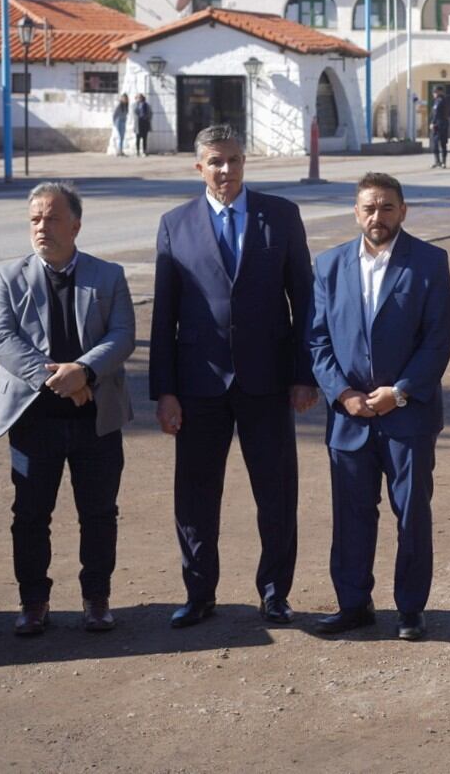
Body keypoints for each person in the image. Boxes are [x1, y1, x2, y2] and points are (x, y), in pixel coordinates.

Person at [150, 124, 318, 629]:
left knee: (277, 492)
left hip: (267, 382)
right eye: (216, 162)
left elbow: (304, 300)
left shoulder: (281, 216)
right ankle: (199, 593)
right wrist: (165, 391)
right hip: (199, 385)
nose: (226, 170)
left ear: (245, 163)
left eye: (235, 160)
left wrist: (304, 374)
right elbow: (163, 316)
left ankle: (275, 593)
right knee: (196, 495)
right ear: (198, 166)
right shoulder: (174, 224)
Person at [307, 173, 450, 642]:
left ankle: (410, 609)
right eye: (369, 208)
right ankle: (354, 604)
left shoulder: (430, 263)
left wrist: (401, 391)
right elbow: (317, 339)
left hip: (407, 416)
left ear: (403, 211)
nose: (378, 217)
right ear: (356, 213)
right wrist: (342, 394)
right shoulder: (329, 265)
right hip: (349, 417)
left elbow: (437, 340)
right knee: (351, 514)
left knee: (411, 514)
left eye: (387, 208)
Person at [0, 183, 134, 635]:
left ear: (75, 225)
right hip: (33, 420)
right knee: (30, 515)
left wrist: (84, 373)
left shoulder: (108, 276)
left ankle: (96, 599)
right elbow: (1, 339)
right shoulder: (8, 276)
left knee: (100, 513)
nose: (41, 228)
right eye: (34, 219)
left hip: (96, 418)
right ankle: (33, 602)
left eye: (50, 218)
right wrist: (60, 381)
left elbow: (123, 335)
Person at [428, 87, 450, 169]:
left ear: (440, 92)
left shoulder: (441, 101)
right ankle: (437, 161)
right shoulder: (436, 101)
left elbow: (437, 113)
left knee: (443, 144)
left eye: (435, 92)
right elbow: (433, 113)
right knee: (435, 144)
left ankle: (443, 162)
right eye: (434, 92)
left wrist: (433, 123)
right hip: (438, 125)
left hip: (440, 125)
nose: (434, 94)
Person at [111, 94, 130, 158]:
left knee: (122, 137)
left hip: (123, 121)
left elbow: (126, 114)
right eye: (124, 98)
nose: (125, 100)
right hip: (118, 121)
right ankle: (118, 151)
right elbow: (115, 114)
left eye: (126, 99)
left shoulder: (126, 106)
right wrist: (114, 122)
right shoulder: (119, 105)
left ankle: (120, 151)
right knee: (118, 137)